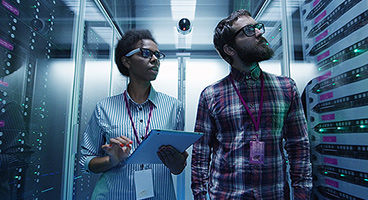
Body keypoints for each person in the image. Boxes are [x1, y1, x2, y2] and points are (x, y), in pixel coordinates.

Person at [191, 9, 312, 199]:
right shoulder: (211, 95)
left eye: (257, 27)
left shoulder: (287, 88)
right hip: (227, 194)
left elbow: (299, 146)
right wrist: (200, 196)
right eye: (248, 30)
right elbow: (201, 153)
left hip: (274, 194)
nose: (259, 32)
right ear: (230, 49)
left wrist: (302, 194)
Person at [80, 29, 188, 200]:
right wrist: (111, 161)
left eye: (157, 55)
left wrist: (177, 163)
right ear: (126, 61)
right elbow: (86, 161)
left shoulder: (174, 107)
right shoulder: (104, 108)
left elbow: (177, 168)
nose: (154, 59)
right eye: (146, 53)